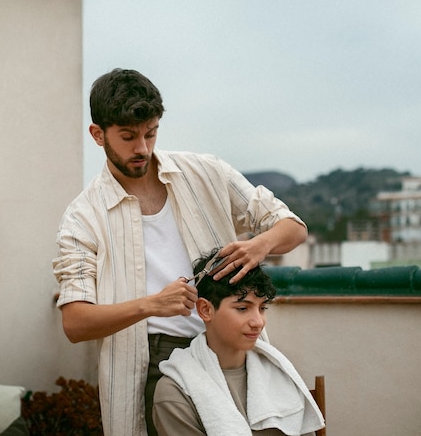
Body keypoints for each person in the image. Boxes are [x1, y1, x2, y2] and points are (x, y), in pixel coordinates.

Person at [52, 68, 308, 436]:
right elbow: (75, 324)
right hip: (155, 361)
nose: (142, 148)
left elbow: (293, 227)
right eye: (127, 137)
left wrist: (259, 245)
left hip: (230, 348)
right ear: (97, 134)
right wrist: (151, 304)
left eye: (150, 133)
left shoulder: (205, 171)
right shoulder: (81, 218)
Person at [152, 249, 325, 436]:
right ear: (205, 310)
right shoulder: (175, 393)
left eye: (262, 308)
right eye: (243, 308)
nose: (258, 322)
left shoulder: (281, 374)